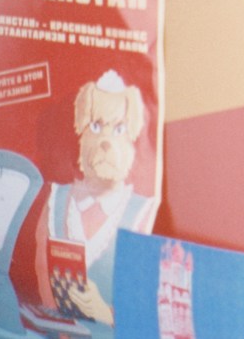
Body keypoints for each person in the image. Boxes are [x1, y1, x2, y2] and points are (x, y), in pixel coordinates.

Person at [36, 70, 157, 337]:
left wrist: (106, 314)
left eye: (119, 129)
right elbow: (41, 288)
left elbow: (149, 309)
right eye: (95, 126)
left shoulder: (144, 214)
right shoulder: (55, 203)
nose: (105, 141)